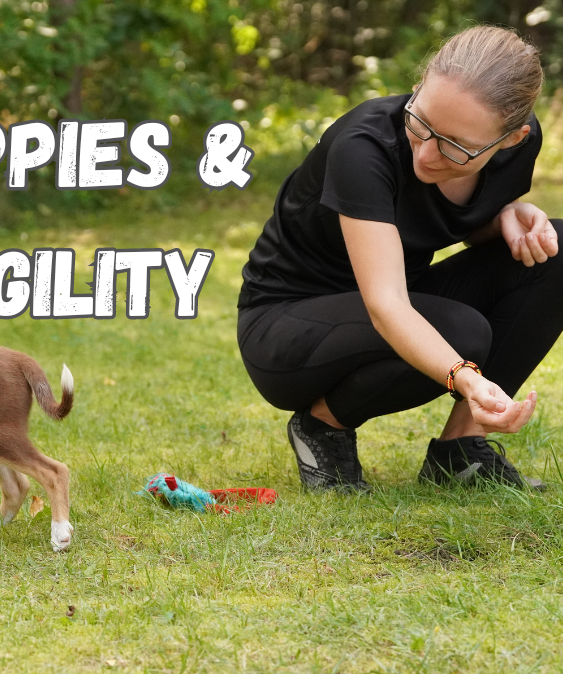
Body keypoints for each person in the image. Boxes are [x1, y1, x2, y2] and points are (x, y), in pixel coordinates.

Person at [237, 26, 563, 491]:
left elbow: (438, 217)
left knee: (557, 252)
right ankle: (321, 426)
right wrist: (466, 380)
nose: (426, 153)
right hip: (286, 329)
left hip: (390, 303)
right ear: (418, 87)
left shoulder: (516, 151)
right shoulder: (363, 146)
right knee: (461, 335)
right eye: (420, 122)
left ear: (511, 140)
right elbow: (386, 304)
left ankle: (461, 453)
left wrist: (504, 219)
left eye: (455, 146)